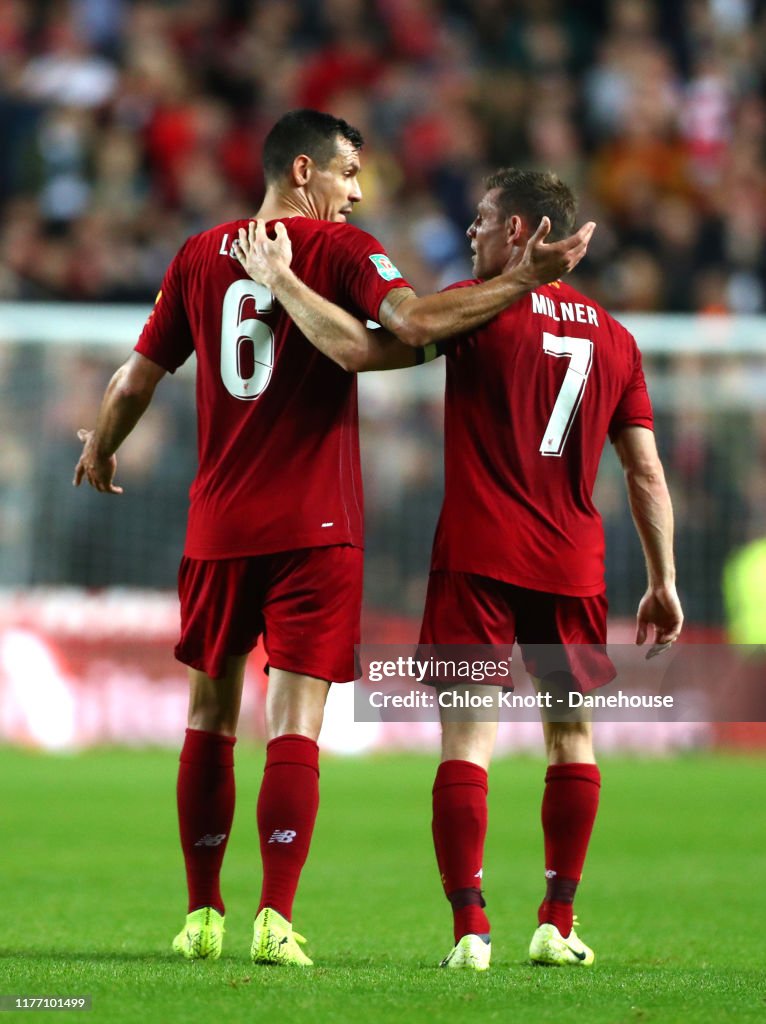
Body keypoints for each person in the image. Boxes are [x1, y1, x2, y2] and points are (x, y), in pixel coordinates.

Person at [73, 111, 595, 967]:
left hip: (218, 522)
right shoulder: (346, 254)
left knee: (208, 715)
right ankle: (274, 918)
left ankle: (201, 913)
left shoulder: (199, 254)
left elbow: (136, 376)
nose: (358, 192)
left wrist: (100, 444)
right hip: (316, 527)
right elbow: (414, 326)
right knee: (296, 720)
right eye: (350, 173)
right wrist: (527, 281)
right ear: (306, 170)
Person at [234, 168, 684, 971]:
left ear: (520, 232)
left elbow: (363, 349)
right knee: (571, 739)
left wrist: (284, 283)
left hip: (478, 555)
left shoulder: (478, 314)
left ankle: (471, 930)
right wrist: (663, 579)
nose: (468, 233)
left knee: (465, 743)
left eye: (480, 221)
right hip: (573, 560)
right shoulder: (617, 339)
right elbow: (644, 472)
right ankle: (558, 920)